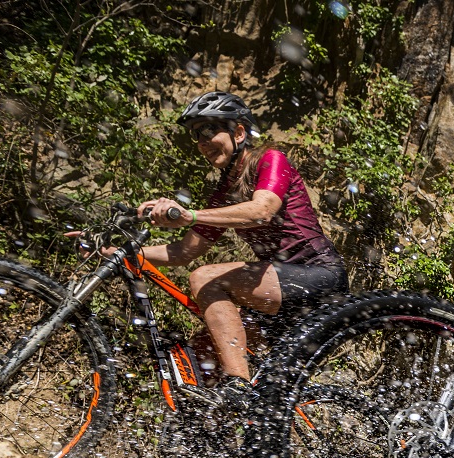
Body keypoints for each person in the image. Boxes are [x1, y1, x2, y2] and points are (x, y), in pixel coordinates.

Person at [136, 91, 348, 408]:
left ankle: (239, 387)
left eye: (208, 131)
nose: (202, 142)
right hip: (281, 291)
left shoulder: (271, 160)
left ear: (238, 132)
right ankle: (225, 442)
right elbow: (183, 252)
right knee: (207, 355)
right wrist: (125, 253)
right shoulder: (224, 193)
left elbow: (261, 210)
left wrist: (187, 215)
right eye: (196, 136)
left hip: (319, 278)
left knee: (206, 279)